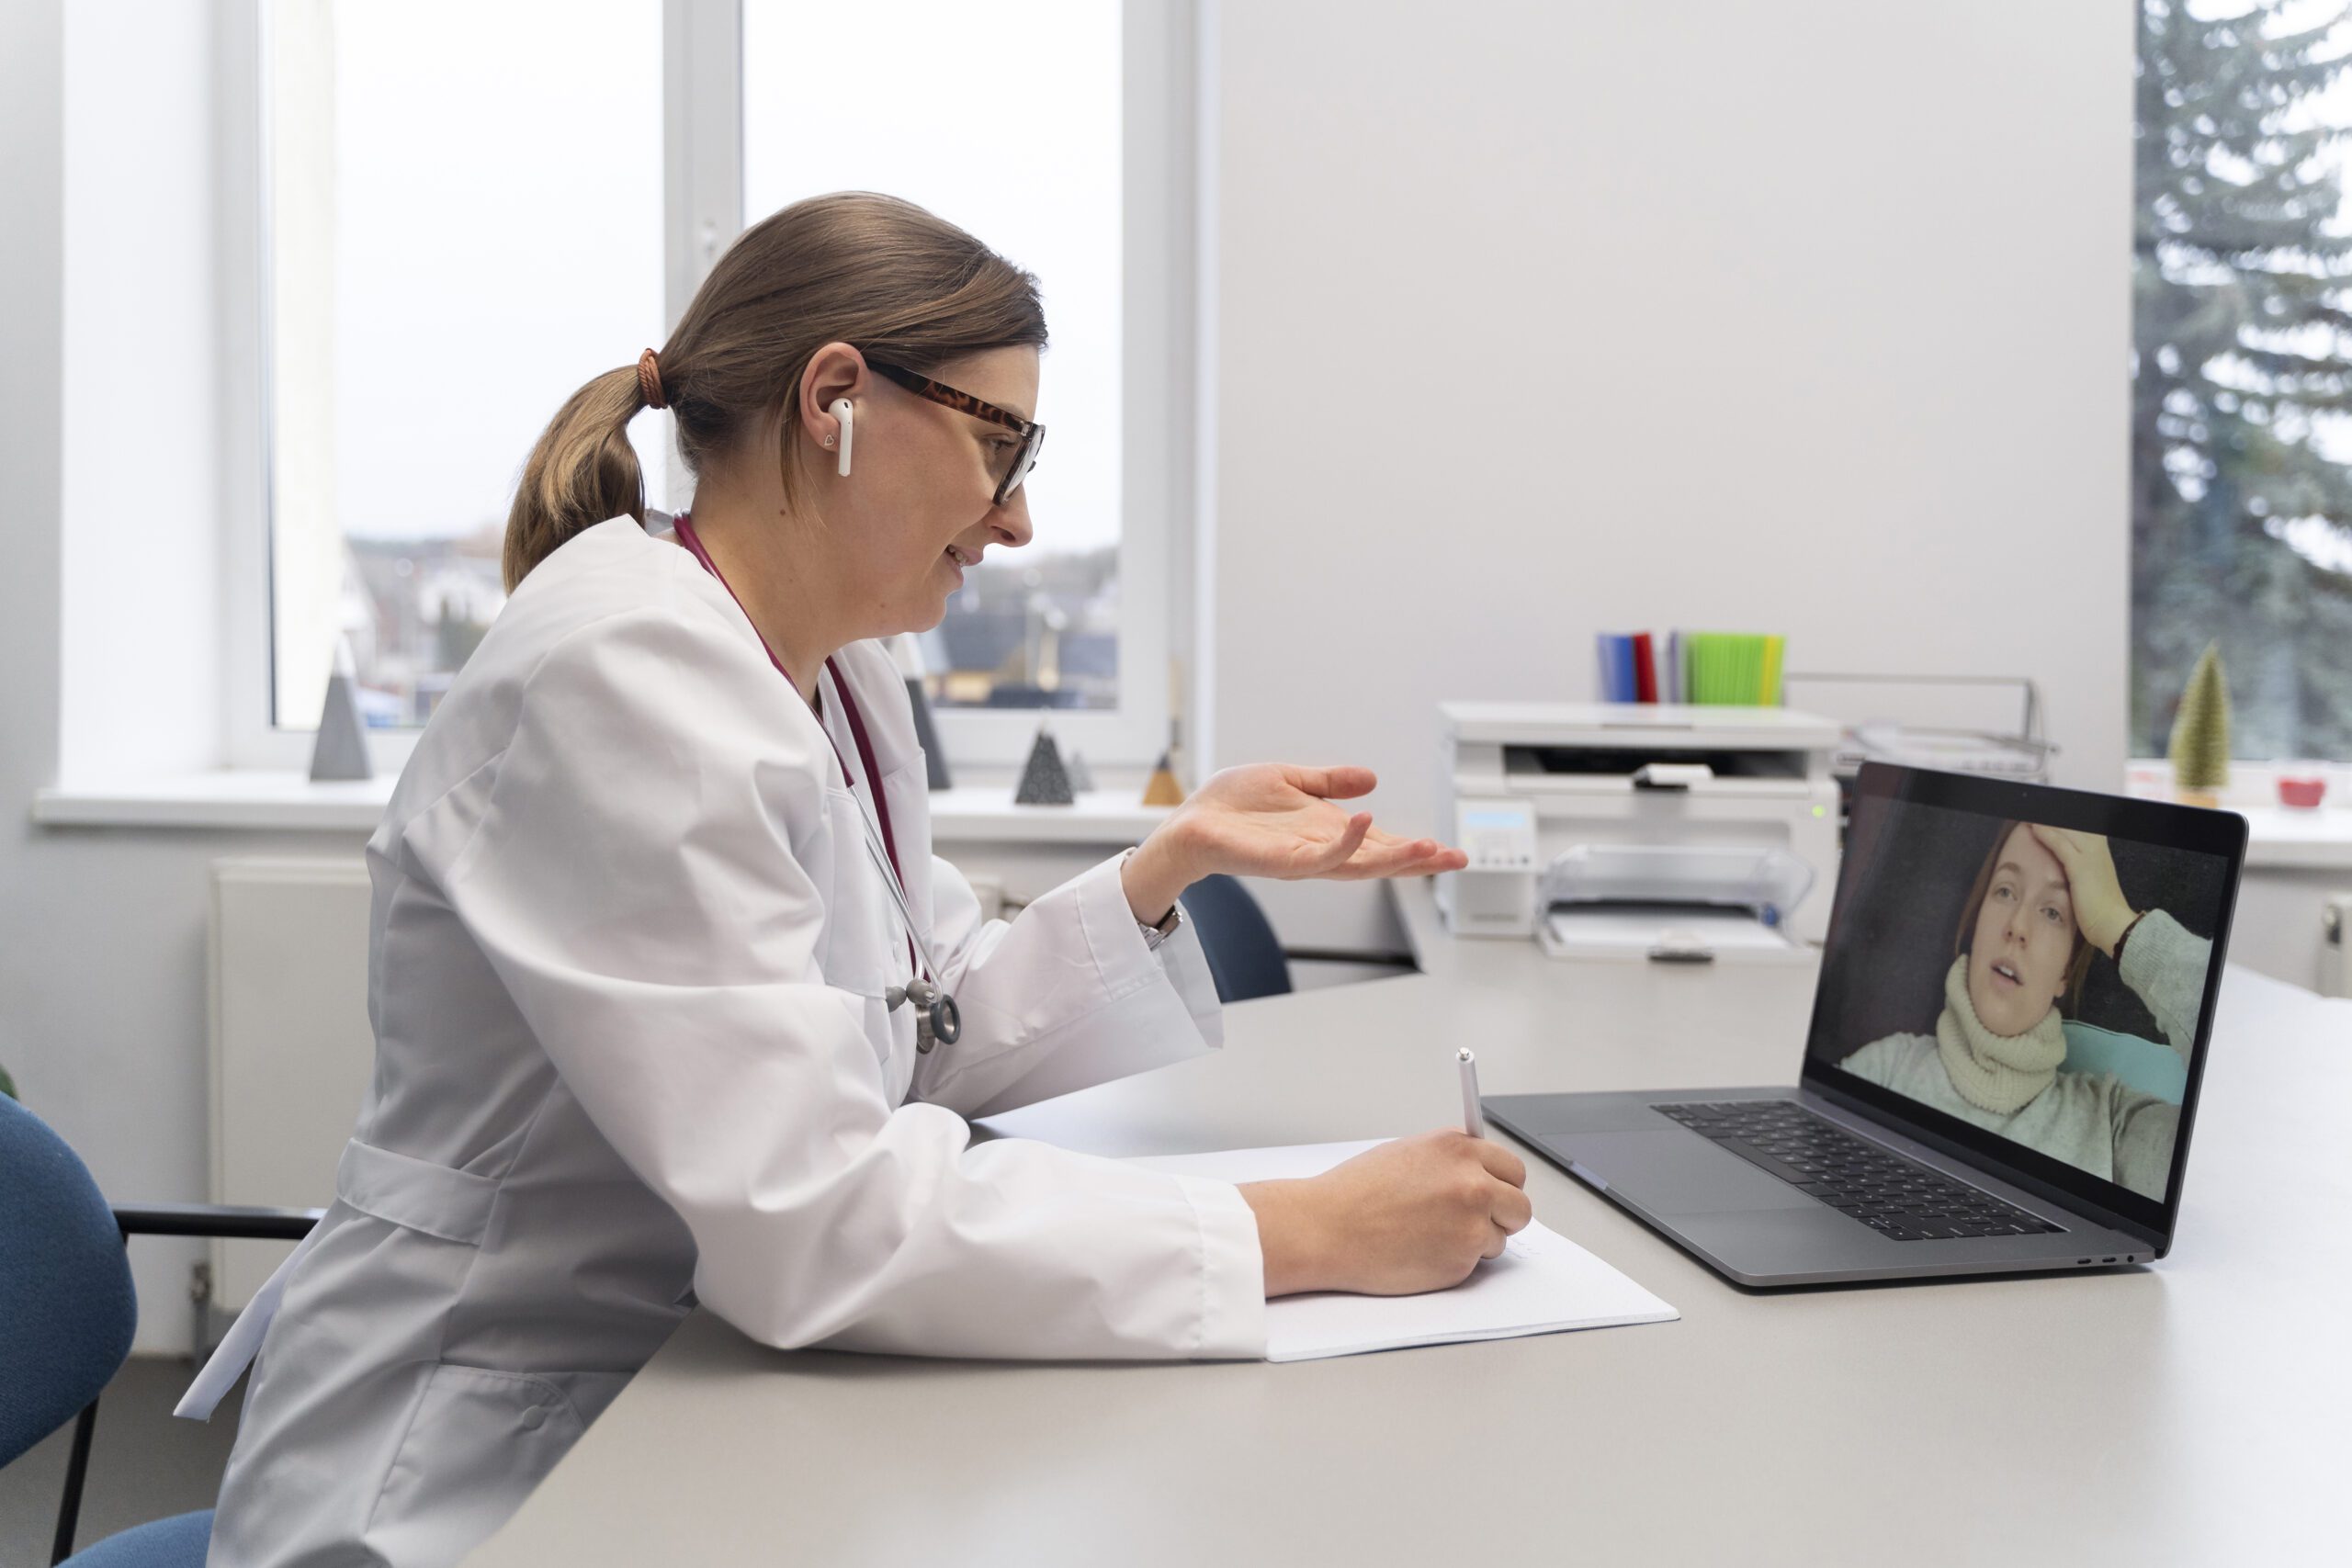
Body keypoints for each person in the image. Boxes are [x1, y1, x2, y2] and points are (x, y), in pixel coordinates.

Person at [183, 192, 1528, 1568]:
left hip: (685, 1386)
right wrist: (1299, 1228)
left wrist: (1159, 866)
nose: (1014, 519)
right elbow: (808, 1214)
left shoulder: (833, 671)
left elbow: (913, 1021)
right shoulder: (623, 672)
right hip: (475, 1465)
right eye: (998, 445)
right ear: (835, 397)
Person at [1838, 818, 2211, 1201]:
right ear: (1977, 922)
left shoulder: (2115, 1129)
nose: (2017, 926)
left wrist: (2122, 929)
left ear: (2065, 971)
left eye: (2052, 912)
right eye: (2004, 891)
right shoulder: (1885, 1071)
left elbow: (2248, 1088)